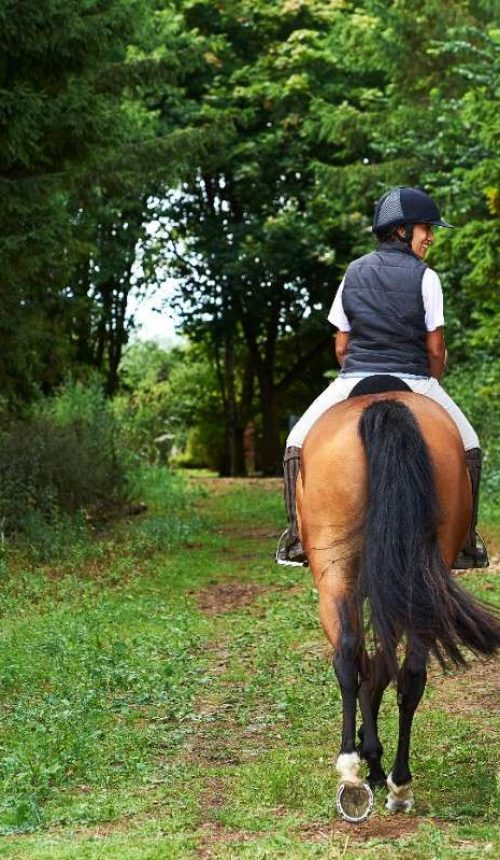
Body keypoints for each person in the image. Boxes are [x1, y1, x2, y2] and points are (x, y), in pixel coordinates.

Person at [276, 186, 488, 570]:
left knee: (296, 443)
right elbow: (436, 348)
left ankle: (296, 537)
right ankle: (466, 543)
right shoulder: (426, 277)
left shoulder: (352, 272)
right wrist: (432, 382)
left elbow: (341, 345)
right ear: (403, 230)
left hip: (354, 375)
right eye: (426, 228)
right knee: (470, 445)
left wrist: (355, 365)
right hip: (415, 379)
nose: (432, 236)